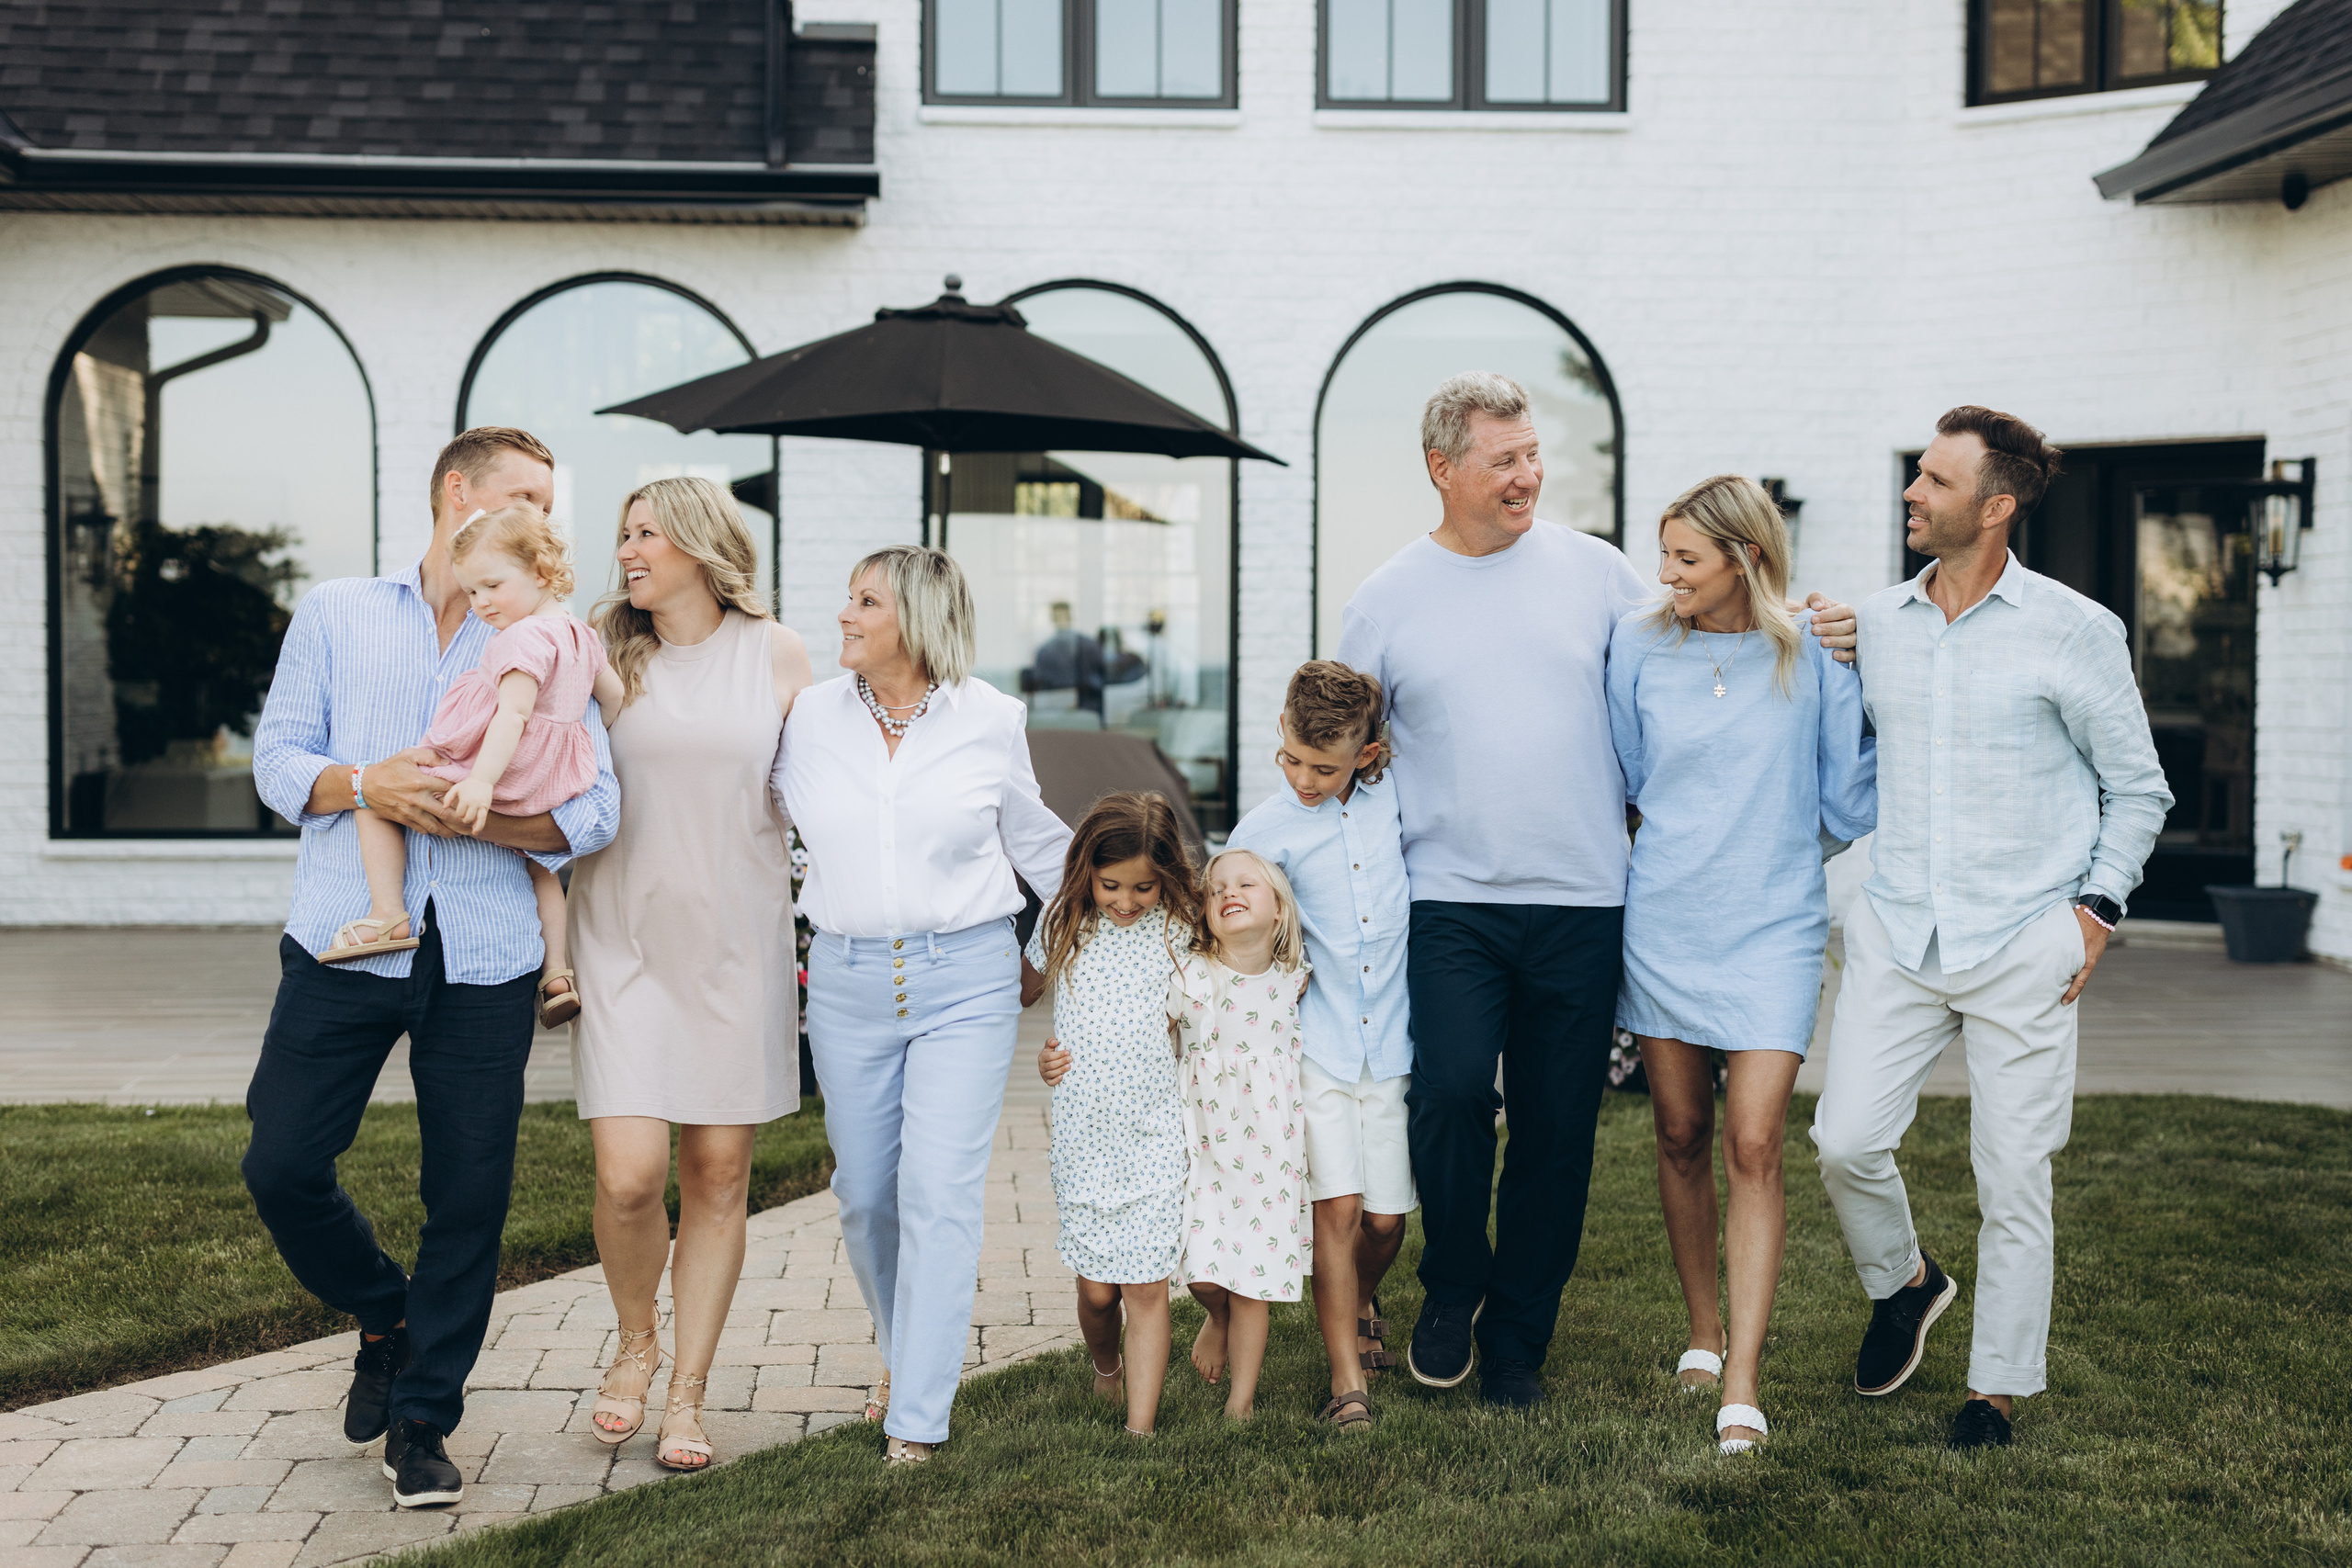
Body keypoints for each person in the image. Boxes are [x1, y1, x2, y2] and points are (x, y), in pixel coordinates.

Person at [1337, 372, 1859, 1408]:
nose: (1528, 475)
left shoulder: (1597, 574)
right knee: (1444, 1096)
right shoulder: (1384, 599)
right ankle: (1451, 1291)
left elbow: (1703, 635)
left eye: (1533, 453)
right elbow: (1346, 749)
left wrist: (1828, 627)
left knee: (1555, 1127)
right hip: (1447, 901)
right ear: (1443, 469)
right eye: (1504, 459)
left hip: (1584, 903)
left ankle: (1520, 1337)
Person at [243, 427, 619, 1508]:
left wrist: (480, 820)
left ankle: (423, 1420)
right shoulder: (336, 614)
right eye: (524, 497)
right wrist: (368, 786)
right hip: (345, 935)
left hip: (491, 952)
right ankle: (384, 1307)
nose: (545, 519)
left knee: (469, 1195)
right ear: (458, 496)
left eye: (552, 503)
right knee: (280, 1164)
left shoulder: (555, 635)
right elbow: (279, 764)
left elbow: (594, 810)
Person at [1809, 406, 2171, 1450]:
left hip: (2025, 942)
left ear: (1996, 505)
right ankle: (1905, 1279)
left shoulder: (2075, 630)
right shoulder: (1878, 623)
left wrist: (2094, 912)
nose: (1911, 493)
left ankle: (1994, 1392)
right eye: (1915, 475)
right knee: (1843, 1143)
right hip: (1901, 934)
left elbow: (2136, 790)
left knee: (2013, 1175)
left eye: (1933, 480)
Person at [771, 545, 1070, 1466]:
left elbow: (1050, 854)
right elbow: (761, 831)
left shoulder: (991, 719)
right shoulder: (808, 717)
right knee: (865, 1198)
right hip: (849, 983)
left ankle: (918, 1419)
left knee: (938, 1195)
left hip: (967, 982)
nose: (845, 616)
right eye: (849, 597)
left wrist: (1039, 955)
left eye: (865, 602)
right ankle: (905, 1355)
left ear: (917, 619)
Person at [1607, 475, 1877, 1456]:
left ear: (1744, 559)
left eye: (1684, 558)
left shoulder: (1812, 656)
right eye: (1665, 555)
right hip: (1665, 917)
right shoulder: (1636, 643)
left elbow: (1848, 804)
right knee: (1679, 1131)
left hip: (1772, 925)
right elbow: (1629, 776)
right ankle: (1703, 1334)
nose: (1666, 575)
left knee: (1753, 1143)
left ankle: (1746, 1381)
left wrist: (1875, 661)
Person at [565, 477, 814, 1471]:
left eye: (647, 534)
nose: (628, 551)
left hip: (738, 945)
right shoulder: (601, 652)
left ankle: (688, 1391)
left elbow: (815, 791)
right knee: (628, 1181)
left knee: (718, 1176)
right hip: (621, 943)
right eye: (623, 534)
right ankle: (635, 1340)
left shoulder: (776, 652)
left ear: (702, 547)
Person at [322, 505, 614, 1025]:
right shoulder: (582, 634)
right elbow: (613, 702)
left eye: (491, 587)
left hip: (506, 771)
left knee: (373, 794)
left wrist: (480, 782)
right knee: (539, 866)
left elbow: (514, 713)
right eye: (472, 591)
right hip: (554, 777)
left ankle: (388, 914)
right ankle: (558, 973)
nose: (480, 604)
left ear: (542, 572)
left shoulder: (522, 637)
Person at [1224, 660, 1414, 1434]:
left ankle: (1361, 1294)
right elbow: (1228, 924)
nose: (1304, 777)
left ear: (1367, 755)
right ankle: (1345, 1381)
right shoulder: (1263, 833)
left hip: (1394, 1043)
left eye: (1325, 767)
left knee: (1386, 1220)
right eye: (1292, 758)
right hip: (1317, 1044)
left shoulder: (1396, 801)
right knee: (1334, 1209)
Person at [1025, 792, 1203, 1438]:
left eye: (1143, 886)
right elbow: (1018, 992)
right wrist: (1046, 1055)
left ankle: (1140, 1429)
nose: (1126, 900)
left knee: (1146, 1289)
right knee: (1099, 1291)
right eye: (1111, 885)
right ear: (1085, 873)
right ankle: (1106, 1364)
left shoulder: (1180, 928)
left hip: (1155, 1135)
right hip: (1084, 1136)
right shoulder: (1065, 923)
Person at [1167, 847, 1313, 1423]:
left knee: (1253, 1277)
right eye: (1216, 887)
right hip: (1202, 1143)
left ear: (1278, 911)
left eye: (1246, 885)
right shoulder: (1192, 975)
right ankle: (1217, 1316)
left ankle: (1241, 1403)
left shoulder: (1293, 980)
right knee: (1200, 1267)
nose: (1228, 892)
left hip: (1269, 1150)